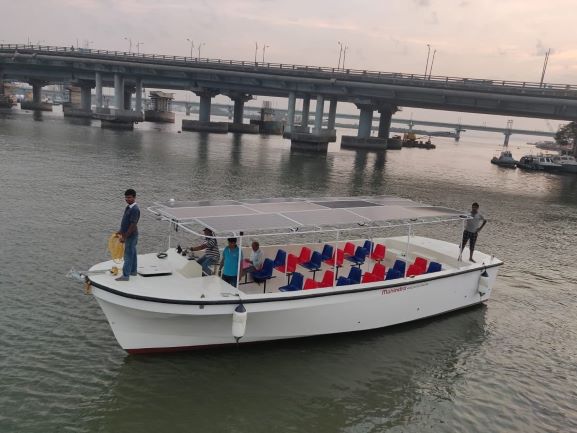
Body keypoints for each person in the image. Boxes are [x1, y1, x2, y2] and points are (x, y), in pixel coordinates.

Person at [116, 189, 140, 281]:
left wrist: (125, 237)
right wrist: (120, 231)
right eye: (126, 197)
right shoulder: (128, 207)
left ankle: (126, 276)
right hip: (128, 234)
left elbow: (133, 225)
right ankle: (133, 271)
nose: (127, 199)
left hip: (131, 236)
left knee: (128, 255)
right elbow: (126, 222)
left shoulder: (135, 209)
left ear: (134, 197)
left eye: (129, 197)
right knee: (132, 253)